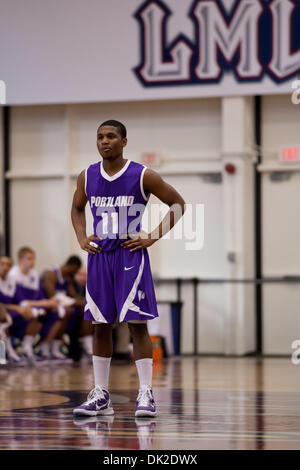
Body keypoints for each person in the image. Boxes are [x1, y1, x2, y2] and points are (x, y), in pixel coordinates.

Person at [71, 120, 185, 417]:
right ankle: (100, 395)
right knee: (100, 324)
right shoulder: (87, 175)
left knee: (137, 324)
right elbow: (76, 207)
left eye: (111, 136)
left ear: (123, 141)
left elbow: (178, 204)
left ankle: (146, 393)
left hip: (129, 255)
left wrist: (152, 237)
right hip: (99, 255)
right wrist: (82, 237)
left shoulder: (142, 174)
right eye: (99, 137)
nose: (104, 141)